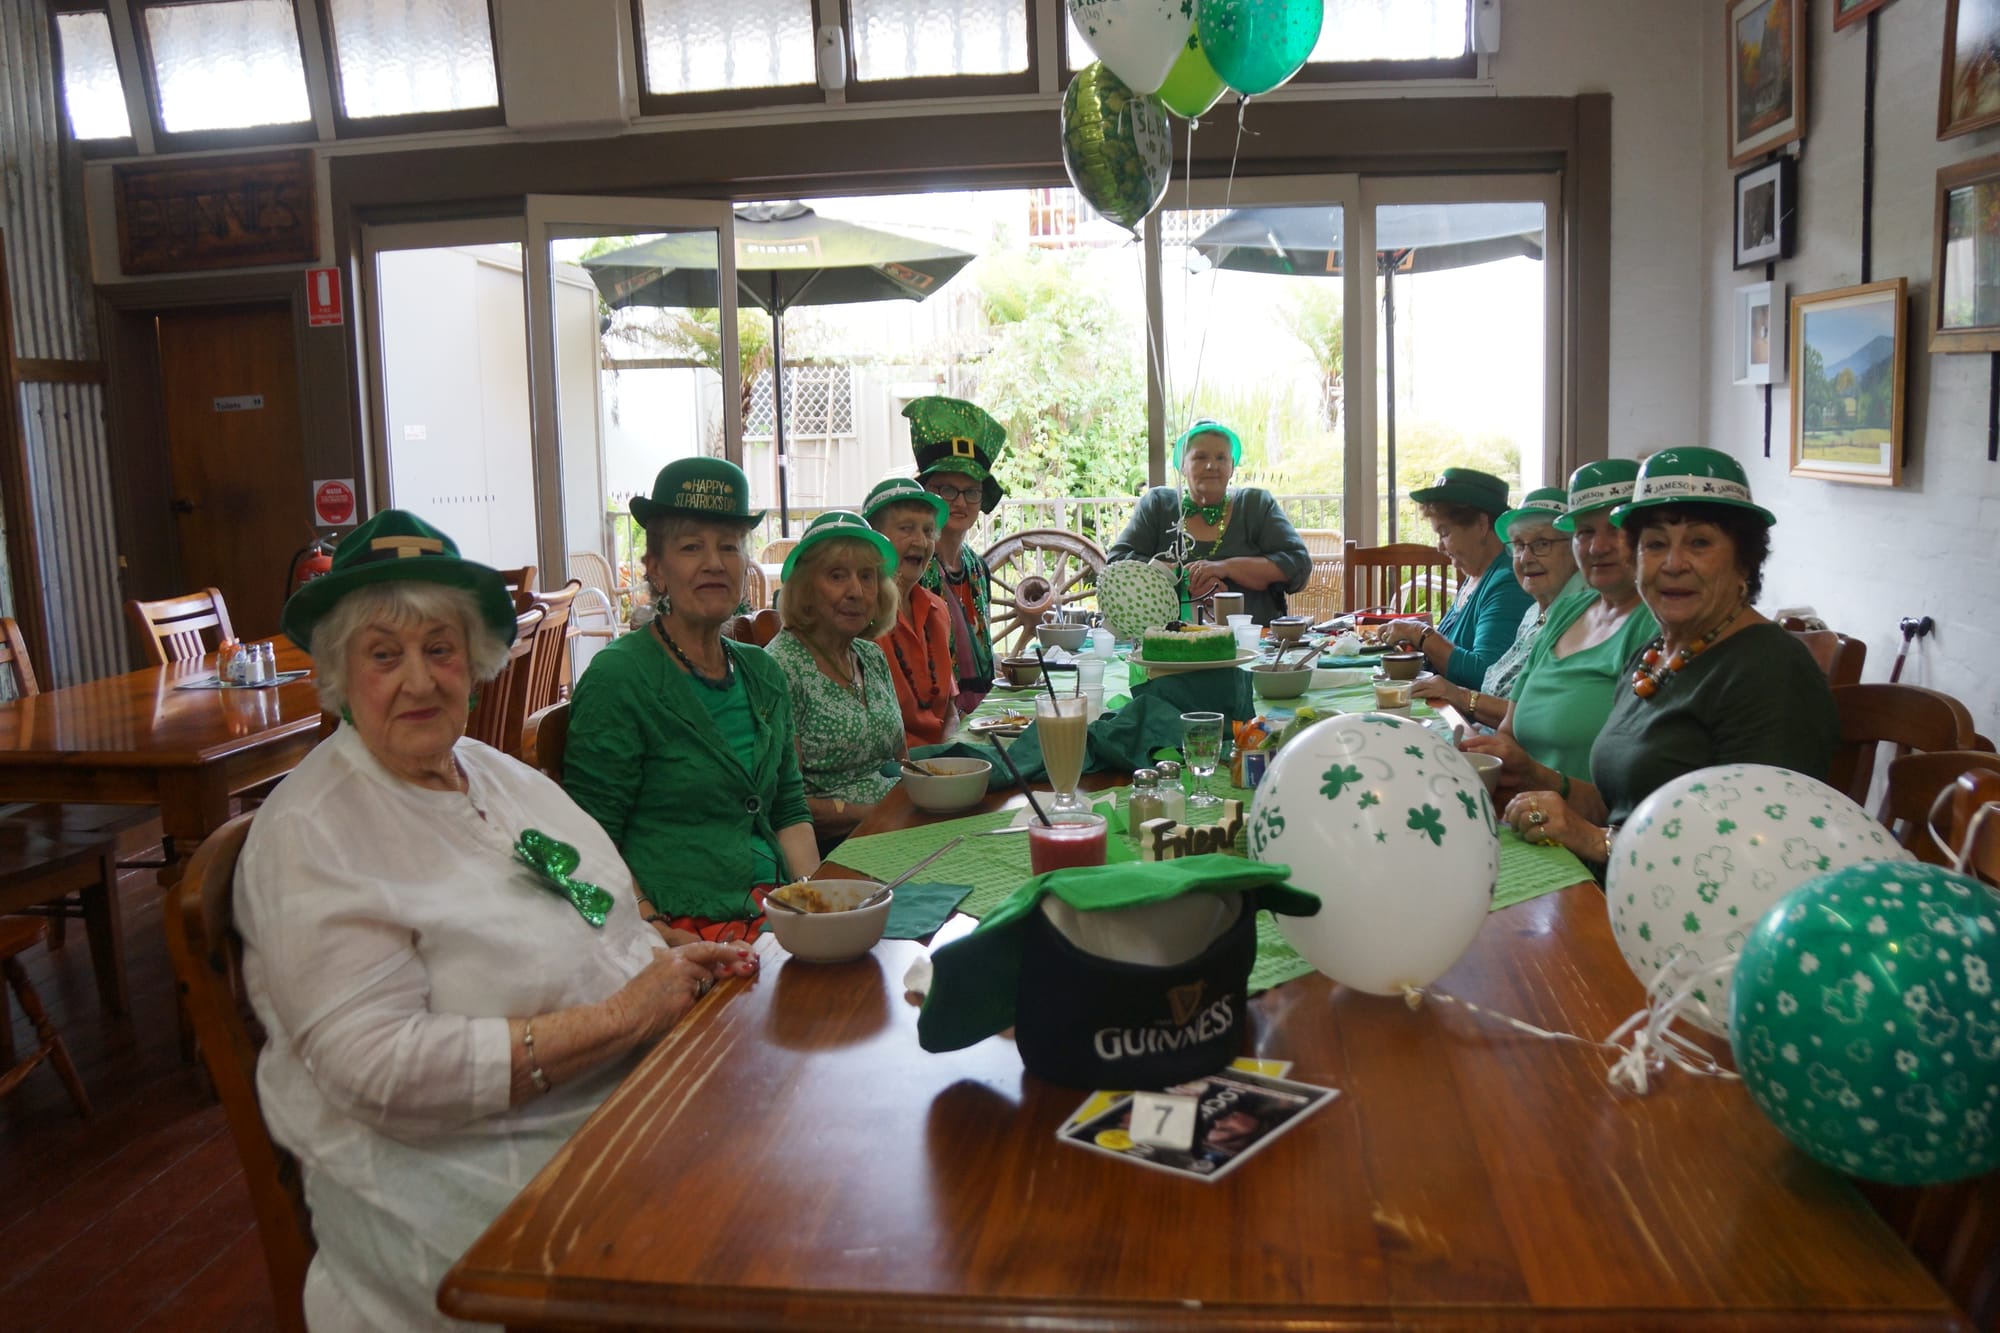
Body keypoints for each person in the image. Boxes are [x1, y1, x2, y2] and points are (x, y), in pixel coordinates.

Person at [236, 508, 758, 1331]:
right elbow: (379, 1069)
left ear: (473, 662)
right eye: (384, 654)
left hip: (628, 1130)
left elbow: (600, 910)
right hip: (472, 1217)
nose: (419, 679)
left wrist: (667, 951)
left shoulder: (490, 773)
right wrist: (625, 1013)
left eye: (440, 649)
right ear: (340, 670)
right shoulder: (316, 832)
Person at [1484, 448, 1838, 866]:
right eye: (1654, 544)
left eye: (1699, 543)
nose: (1672, 564)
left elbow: (1758, 853)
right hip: (1613, 886)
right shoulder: (1652, 656)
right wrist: (1544, 785)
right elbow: (1621, 806)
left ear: (1745, 560)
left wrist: (1596, 841)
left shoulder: (1772, 669)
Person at [565, 458, 818, 940]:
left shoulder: (762, 671)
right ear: (655, 569)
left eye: (729, 546)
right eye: (690, 547)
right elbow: (592, 842)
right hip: (678, 933)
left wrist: (813, 902)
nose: (714, 562)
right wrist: (657, 933)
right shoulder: (620, 677)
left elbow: (787, 808)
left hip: (776, 918)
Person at [1485, 459, 1658, 786]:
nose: (1598, 546)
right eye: (1585, 531)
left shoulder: (1656, 626)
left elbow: (1635, 783)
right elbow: (1508, 731)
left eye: (1615, 530)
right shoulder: (1566, 611)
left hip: (1588, 827)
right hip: (1524, 808)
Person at [767, 510, 907, 845]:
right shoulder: (779, 668)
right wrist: (879, 813)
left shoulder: (870, 655)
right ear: (805, 588)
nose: (856, 591)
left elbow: (902, 764)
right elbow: (784, 805)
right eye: (836, 576)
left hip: (897, 828)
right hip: (835, 850)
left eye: (867, 576)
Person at [1106, 419, 1311, 625]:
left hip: (1254, 642)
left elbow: (1298, 565)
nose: (1211, 465)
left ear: (1232, 468)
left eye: (1221, 458)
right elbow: (1117, 562)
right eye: (1200, 457)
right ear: (1183, 466)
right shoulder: (1157, 505)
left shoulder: (1256, 505)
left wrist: (1225, 567)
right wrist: (1183, 578)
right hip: (1166, 642)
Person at [1411, 486, 1579, 728]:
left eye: (1542, 544)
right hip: (1487, 736)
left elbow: (1548, 718)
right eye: (1519, 545)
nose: (1525, 558)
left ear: (1577, 549)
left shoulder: (1577, 617)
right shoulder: (1535, 613)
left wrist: (1459, 696)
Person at [1383, 467, 1534, 689]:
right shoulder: (1476, 577)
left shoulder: (1507, 582)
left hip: (1468, 721)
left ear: (1482, 525)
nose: (1440, 546)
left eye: (1445, 533)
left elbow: (1487, 675)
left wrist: (1419, 633)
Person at [908, 396, 1008, 714]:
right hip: (934, 720)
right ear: (926, 493)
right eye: (946, 489)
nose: (961, 502)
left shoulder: (976, 568)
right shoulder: (911, 569)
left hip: (985, 715)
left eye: (972, 491)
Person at [866, 476, 957, 747]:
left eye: (928, 531)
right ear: (876, 540)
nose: (920, 541)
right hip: (892, 768)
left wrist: (952, 754)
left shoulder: (937, 609)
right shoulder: (858, 617)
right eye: (906, 528)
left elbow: (949, 708)